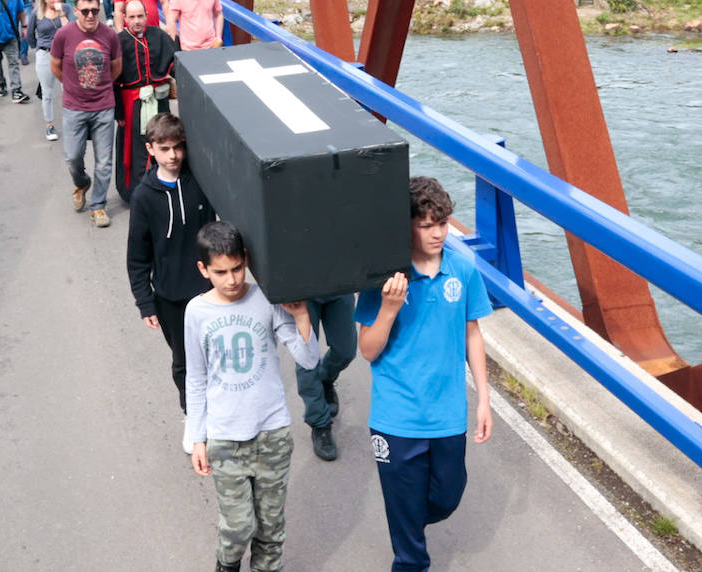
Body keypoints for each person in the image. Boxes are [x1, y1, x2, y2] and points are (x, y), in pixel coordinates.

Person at [355, 176, 493, 572]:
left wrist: (483, 399)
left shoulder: (463, 272)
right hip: (396, 418)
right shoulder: (383, 280)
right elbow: (368, 350)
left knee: (447, 497)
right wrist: (388, 308)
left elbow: (473, 334)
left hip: (448, 413)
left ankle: (408, 519)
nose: (437, 233)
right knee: (410, 544)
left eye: (443, 223)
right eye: (426, 224)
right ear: (407, 227)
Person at [185, 221, 318, 572]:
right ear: (203, 269)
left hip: (272, 433)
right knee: (238, 527)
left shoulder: (268, 298)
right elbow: (196, 377)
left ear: (246, 259)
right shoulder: (196, 312)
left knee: (271, 530)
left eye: (238, 268)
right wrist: (196, 439)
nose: (231, 280)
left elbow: (308, 359)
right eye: (221, 272)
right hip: (225, 436)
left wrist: (302, 314)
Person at [127, 112, 215, 423]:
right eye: (164, 148)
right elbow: (137, 257)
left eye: (178, 146)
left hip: (208, 291)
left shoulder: (201, 180)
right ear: (150, 149)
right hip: (170, 298)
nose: (173, 155)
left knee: (215, 356)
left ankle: (217, 410)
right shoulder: (143, 197)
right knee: (184, 361)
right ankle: (192, 415)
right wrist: (145, 302)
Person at [50, 0, 121, 228]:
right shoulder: (63, 34)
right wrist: (73, 86)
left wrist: (99, 88)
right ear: (76, 11)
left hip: (103, 106)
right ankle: (82, 183)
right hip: (74, 107)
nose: (91, 15)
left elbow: (116, 68)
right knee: (72, 157)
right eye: (85, 11)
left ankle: (98, 205)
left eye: (95, 10)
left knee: (104, 162)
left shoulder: (109, 35)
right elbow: (56, 66)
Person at [113, 0, 176, 201]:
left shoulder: (158, 35)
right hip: (132, 104)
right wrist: (119, 112)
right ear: (125, 19)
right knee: (137, 149)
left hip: (159, 100)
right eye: (132, 17)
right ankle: (137, 193)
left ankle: (164, 187)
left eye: (140, 16)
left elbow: (176, 62)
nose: (137, 21)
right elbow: (113, 79)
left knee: (165, 142)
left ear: (147, 16)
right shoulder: (119, 41)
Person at [295, 292, 357, 462]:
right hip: (301, 287)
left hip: (338, 283)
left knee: (346, 351)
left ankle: (326, 378)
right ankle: (320, 423)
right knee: (306, 361)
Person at [27, 0, 71, 141]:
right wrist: (38, 49)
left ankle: (71, 122)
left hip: (64, 55)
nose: (56, 0)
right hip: (45, 53)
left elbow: (71, 29)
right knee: (47, 92)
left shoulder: (65, 9)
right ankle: (49, 124)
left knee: (68, 89)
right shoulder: (37, 13)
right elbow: (30, 34)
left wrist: (61, 13)